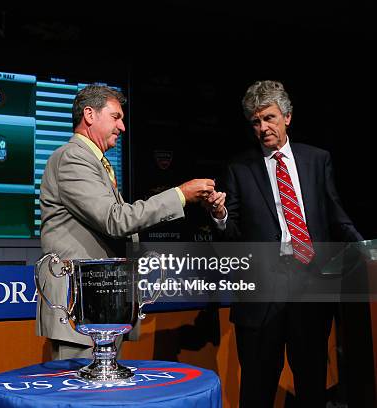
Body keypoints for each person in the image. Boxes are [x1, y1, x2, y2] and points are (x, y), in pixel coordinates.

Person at [37, 84, 223, 360]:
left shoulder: (95, 162)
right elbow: (116, 221)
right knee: (81, 400)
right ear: (89, 114)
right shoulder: (72, 158)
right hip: (81, 313)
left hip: (102, 311)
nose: (122, 127)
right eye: (116, 117)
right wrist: (180, 195)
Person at [208, 80, 362, 406]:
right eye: (255, 121)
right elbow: (230, 237)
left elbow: (337, 216)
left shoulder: (318, 160)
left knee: (312, 387)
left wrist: (367, 251)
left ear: (287, 117)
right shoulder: (239, 169)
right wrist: (220, 215)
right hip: (262, 297)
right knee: (257, 391)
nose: (263, 128)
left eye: (269, 118)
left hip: (310, 290)